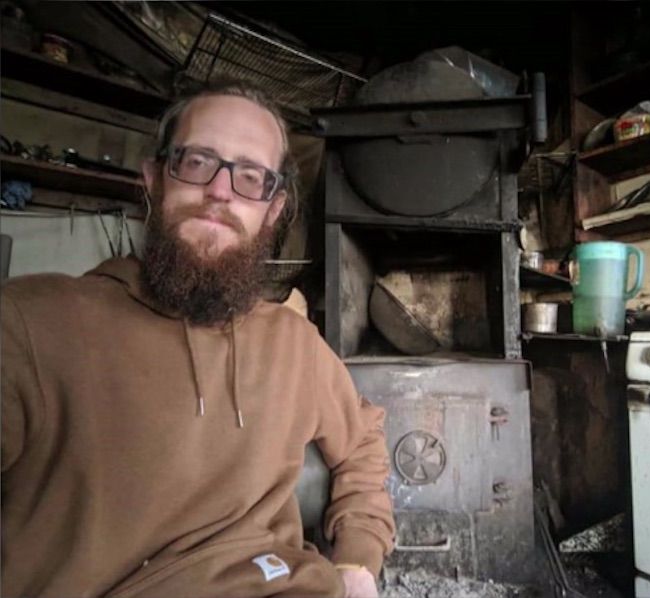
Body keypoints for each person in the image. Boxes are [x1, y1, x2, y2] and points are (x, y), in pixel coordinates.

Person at [1, 80, 395, 598]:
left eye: (250, 177)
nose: (220, 191)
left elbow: (362, 441)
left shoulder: (294, 343)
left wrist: (358, 560)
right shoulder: (30, 324)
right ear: (153, 179)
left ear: (273, 209)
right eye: (197, 162)